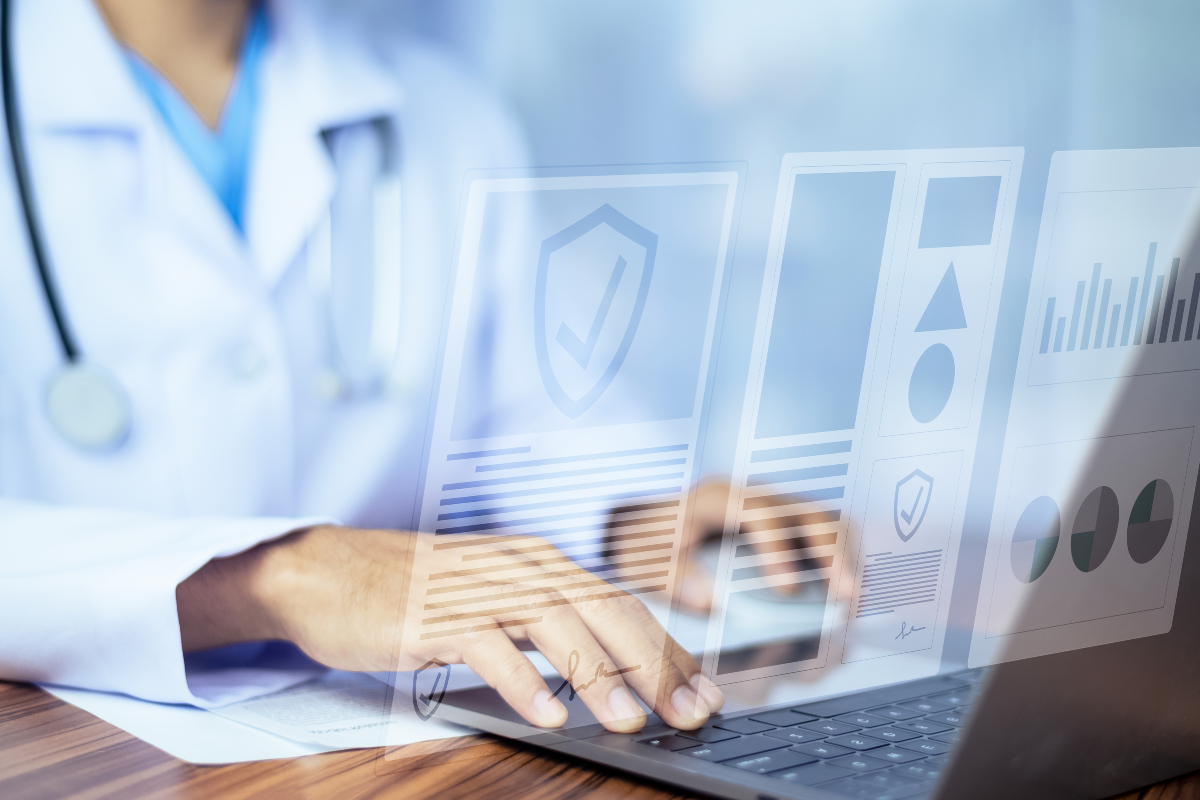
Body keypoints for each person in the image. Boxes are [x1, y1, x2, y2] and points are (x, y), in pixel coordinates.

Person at [0, 0, 725, 734]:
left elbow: (513, 403)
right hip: (67, 743)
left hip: (375, 724)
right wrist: (287, 576)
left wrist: (630, 512)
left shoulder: (439, 104)